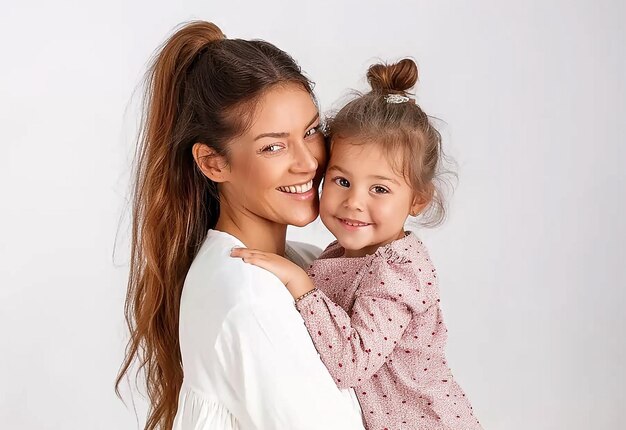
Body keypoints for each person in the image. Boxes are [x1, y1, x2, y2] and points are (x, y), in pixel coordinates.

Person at [116, 21, 365, 430]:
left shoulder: (303, 263)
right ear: (213, 163)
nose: (308, 162)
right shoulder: (250, 298)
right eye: (274, 146)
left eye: (311, 131)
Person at [232, 59, 482, 429]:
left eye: (379, 189)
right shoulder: (341, 253)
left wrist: (300, 284)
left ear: (417, 201)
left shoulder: (398, 271)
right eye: (342, 181)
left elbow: (351, 362)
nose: (354, 202)